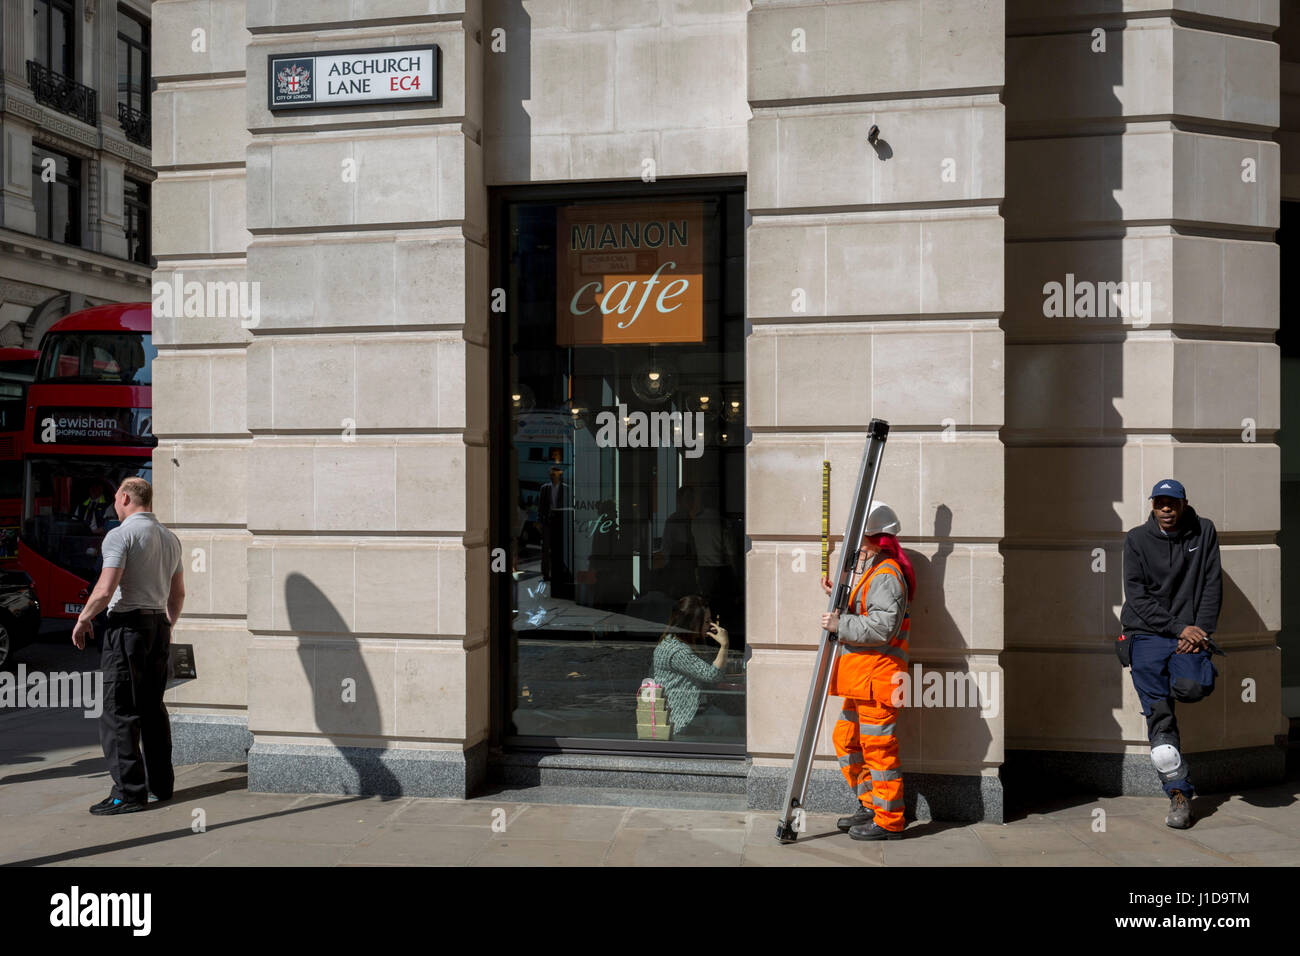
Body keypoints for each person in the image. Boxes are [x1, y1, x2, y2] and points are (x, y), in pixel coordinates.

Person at [72, 476, 184, 815]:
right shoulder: (170, 538)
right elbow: (178, 594)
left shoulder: (120, 535)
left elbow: (105, 590)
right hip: (157, 627)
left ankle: (128, 793)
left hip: (127, 629)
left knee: (119, 711)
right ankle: (160, 787)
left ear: (123, 498)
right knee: (152, 709)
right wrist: (166, 626)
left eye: (115, 499)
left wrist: (83, 619)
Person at [1120, 478, 1222, 829]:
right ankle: (1178, 793)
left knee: (1192, 687)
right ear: (1152, 505)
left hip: (1190, 636)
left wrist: (1198, 632)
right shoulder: (1135, 540)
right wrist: (1178, 628)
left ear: (1183, 504)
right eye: (1160, 503)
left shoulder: (1203, 531)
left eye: (1172, 503)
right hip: (1147, 633)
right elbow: (1137, 597)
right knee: (1160, 721)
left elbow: (1211, 585)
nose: (1166, 509)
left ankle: (1186, 674)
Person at [819, 502, 915, 841]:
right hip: (862, 678)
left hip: (877, 678)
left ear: (875, 538)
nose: (855, 545)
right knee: (846, 741)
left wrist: (839, 623)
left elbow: (881, 628)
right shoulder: (877, 570)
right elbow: (870, 612)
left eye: (860, 538)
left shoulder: (887, 574)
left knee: (878, 750)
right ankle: (872, 803)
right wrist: (841, 602)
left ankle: (889, 821)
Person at [652, 594, 729, 734]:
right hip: (683, 717)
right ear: (693, 623)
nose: (711, 624)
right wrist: (724, 645)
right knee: (731, 727)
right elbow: (713, 675)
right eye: (707, 621)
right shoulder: (677, 651)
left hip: (691, 710)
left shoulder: (673, 642)